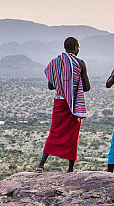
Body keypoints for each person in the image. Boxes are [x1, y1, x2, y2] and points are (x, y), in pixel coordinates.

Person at [36, 37, 90, 173]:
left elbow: (50, 86)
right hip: (74, 104)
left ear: (65, 47)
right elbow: (87, 87)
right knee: (73, 134)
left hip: (59, 102)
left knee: (54, 132)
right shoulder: (80, 63)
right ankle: (70, 169)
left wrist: (62, 83)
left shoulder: (55, 63)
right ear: (76, 47)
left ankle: (41, 165)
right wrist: (73, 85)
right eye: (78, 47)